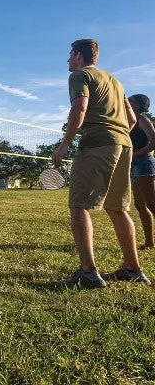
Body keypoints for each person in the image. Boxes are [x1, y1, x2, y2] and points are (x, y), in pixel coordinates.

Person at [52, 38, 150, 288]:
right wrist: (118, 135)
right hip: (124, 145)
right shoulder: (115, 81)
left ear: (78, 54)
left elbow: (80, 108)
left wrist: (65, 144)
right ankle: (132, 269)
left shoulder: (79, 76)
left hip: (98, 144)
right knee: (118, 208)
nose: (67, 59)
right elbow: (131, 118)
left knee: (79, 205)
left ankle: (88, 273)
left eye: (69, 54)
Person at [128, 94, 155, 249]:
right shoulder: (129, 121)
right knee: (140, 205)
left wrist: (135, 155)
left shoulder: (142, 120)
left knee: (152, 204)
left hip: (144, 163)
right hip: (134, 164)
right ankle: (150, 243)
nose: (127, 102)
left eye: (130, 101)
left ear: (138, 105)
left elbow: (153, 142)